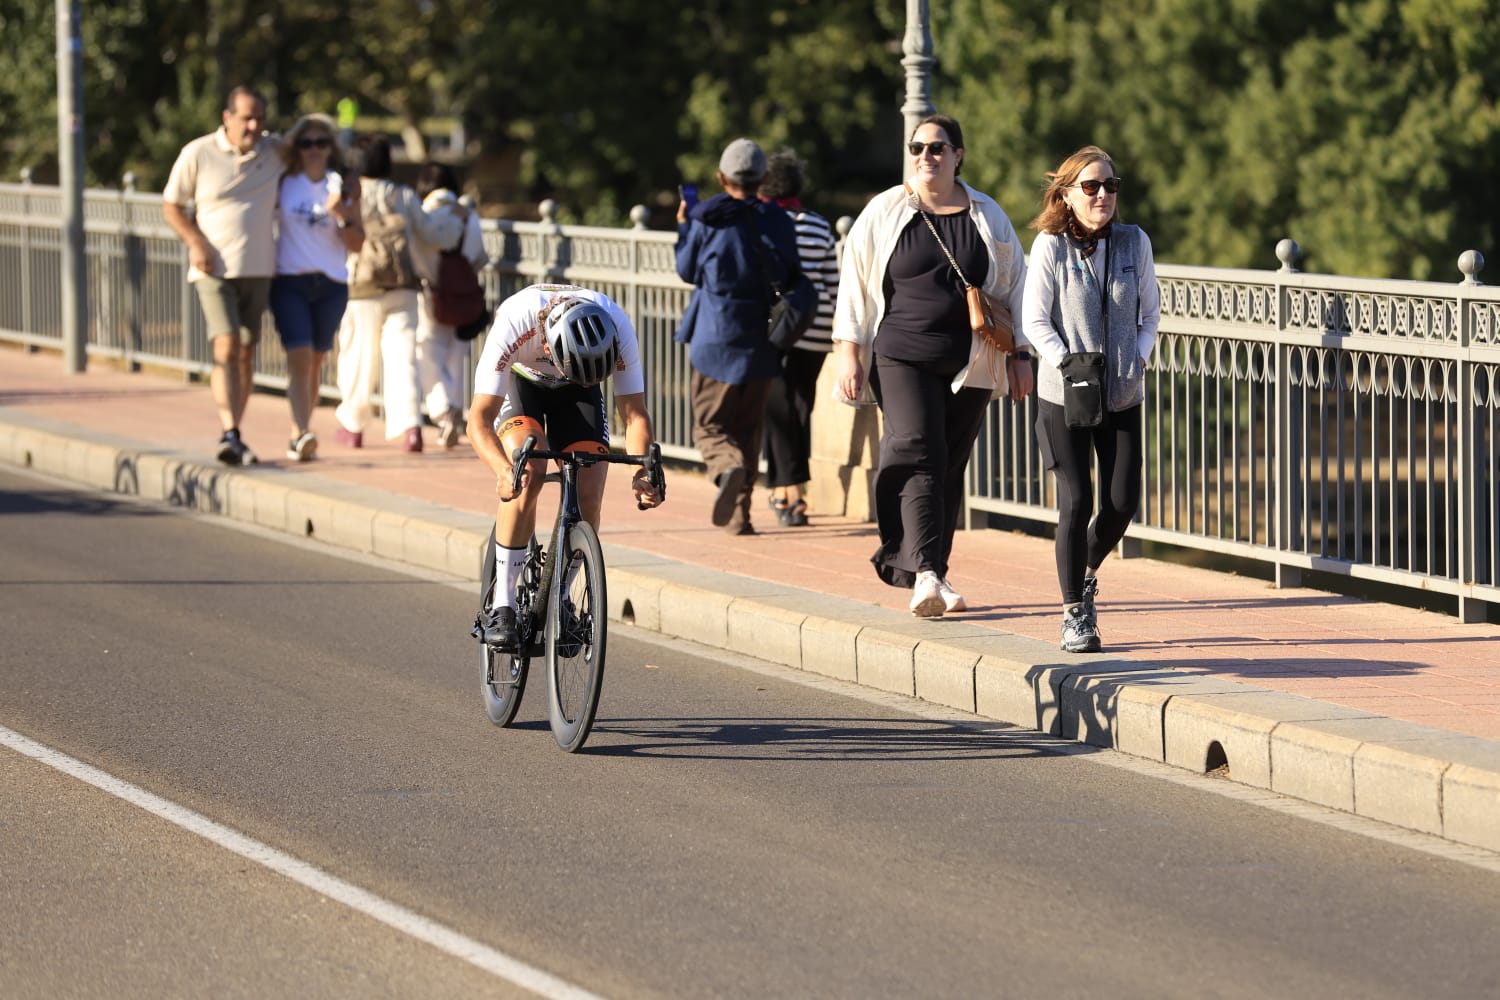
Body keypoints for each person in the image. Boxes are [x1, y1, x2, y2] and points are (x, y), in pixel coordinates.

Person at [832, 113, 1034, 618]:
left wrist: (1022, 356)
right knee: (918, 448)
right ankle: (922, 570)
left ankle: (934, 571)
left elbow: (1016, 288)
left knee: (948, 462)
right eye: (918, 148)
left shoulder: (987, 214)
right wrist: (849, 352)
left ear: (958, 155)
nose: (927, 157)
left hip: (972, 361)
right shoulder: (885, 210)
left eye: (938, 148)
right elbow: (854, 283)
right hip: (900, 354)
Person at [467, 284, 663, 649]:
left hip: (578, 388)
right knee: (529, 474)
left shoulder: (617, 327)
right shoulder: (515, 321)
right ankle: (504, 605)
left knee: (590, 492)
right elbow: (478, 419)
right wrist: (501, 471)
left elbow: (634, 414)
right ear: (546, 345)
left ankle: (561, 595)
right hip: (521, 383)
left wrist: (641, 474)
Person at [1023, 145, 1159, 653]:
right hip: (1067, 395)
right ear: (1068, 194)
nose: (1103, 195)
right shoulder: (1051, 246)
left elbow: (1150, 314)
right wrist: (1068, 364)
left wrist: (1138, 357)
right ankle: (1074, 614)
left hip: (1122, 392)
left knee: (1121, 502)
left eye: (1111, 186)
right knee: (1077, 499)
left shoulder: (1133, 242)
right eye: (1091, 186)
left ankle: (1085, 570)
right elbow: (1034, 320)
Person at [674, 137, 802, 535]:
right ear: (763, 177)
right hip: (764, 337)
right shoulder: (779, 220)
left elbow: (687, 270)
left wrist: (683, 226)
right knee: (749, 429)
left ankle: (726, 469)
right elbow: (791, 274)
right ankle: (739, 516)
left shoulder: (707, 218)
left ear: (721, 177)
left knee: (710, 426)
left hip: (716, 335)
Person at [162, 85, 282, 466]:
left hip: (258, 267)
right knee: (226, 344)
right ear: (226, 117)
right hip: (212, 268)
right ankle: (229, 430)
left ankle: (235, 433)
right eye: (246, 117)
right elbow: (172, 205)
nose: (253, 125)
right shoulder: (198, 153)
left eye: (260, 118)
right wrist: (196, 243)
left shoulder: (275, 151)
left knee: (246, 352)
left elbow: (318, 147)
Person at [335, 134, 465, 452]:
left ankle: (353, 427)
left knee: (359, 357)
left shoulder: (351, 194)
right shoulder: (404, 195)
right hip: (403, 286)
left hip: (362, 287)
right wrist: (456, 215)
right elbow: (433, 232)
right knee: (402, 358)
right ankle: (410, 427)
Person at [269, 113, 364, 462]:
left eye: (320, 143)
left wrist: (342, 214)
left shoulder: (342, 185)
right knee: (300, 358)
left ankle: (303, 429)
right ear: (297, 147)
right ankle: (300, 433)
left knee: (316, 361)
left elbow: (357, 243)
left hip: (331, 284)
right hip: (290, 279)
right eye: (306, 143)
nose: (313, 150)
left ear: (330, 149)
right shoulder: (284, 182)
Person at [758, 149, 839, 528]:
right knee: (798, 406)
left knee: (776, 409)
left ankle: (791, 490)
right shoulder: (819, 224)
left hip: (775, 328)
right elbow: (831, 283)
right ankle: (786, 489)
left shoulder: (762, 222)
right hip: (817, 326)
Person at [413, 162, 489, 449]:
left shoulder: (422, 215)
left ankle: (443, 412)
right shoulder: (467, 215)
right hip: (463, 295)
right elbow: (477, 255)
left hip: (430, 294)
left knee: (429, 353)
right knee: (457, 355)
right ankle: (456, 410)